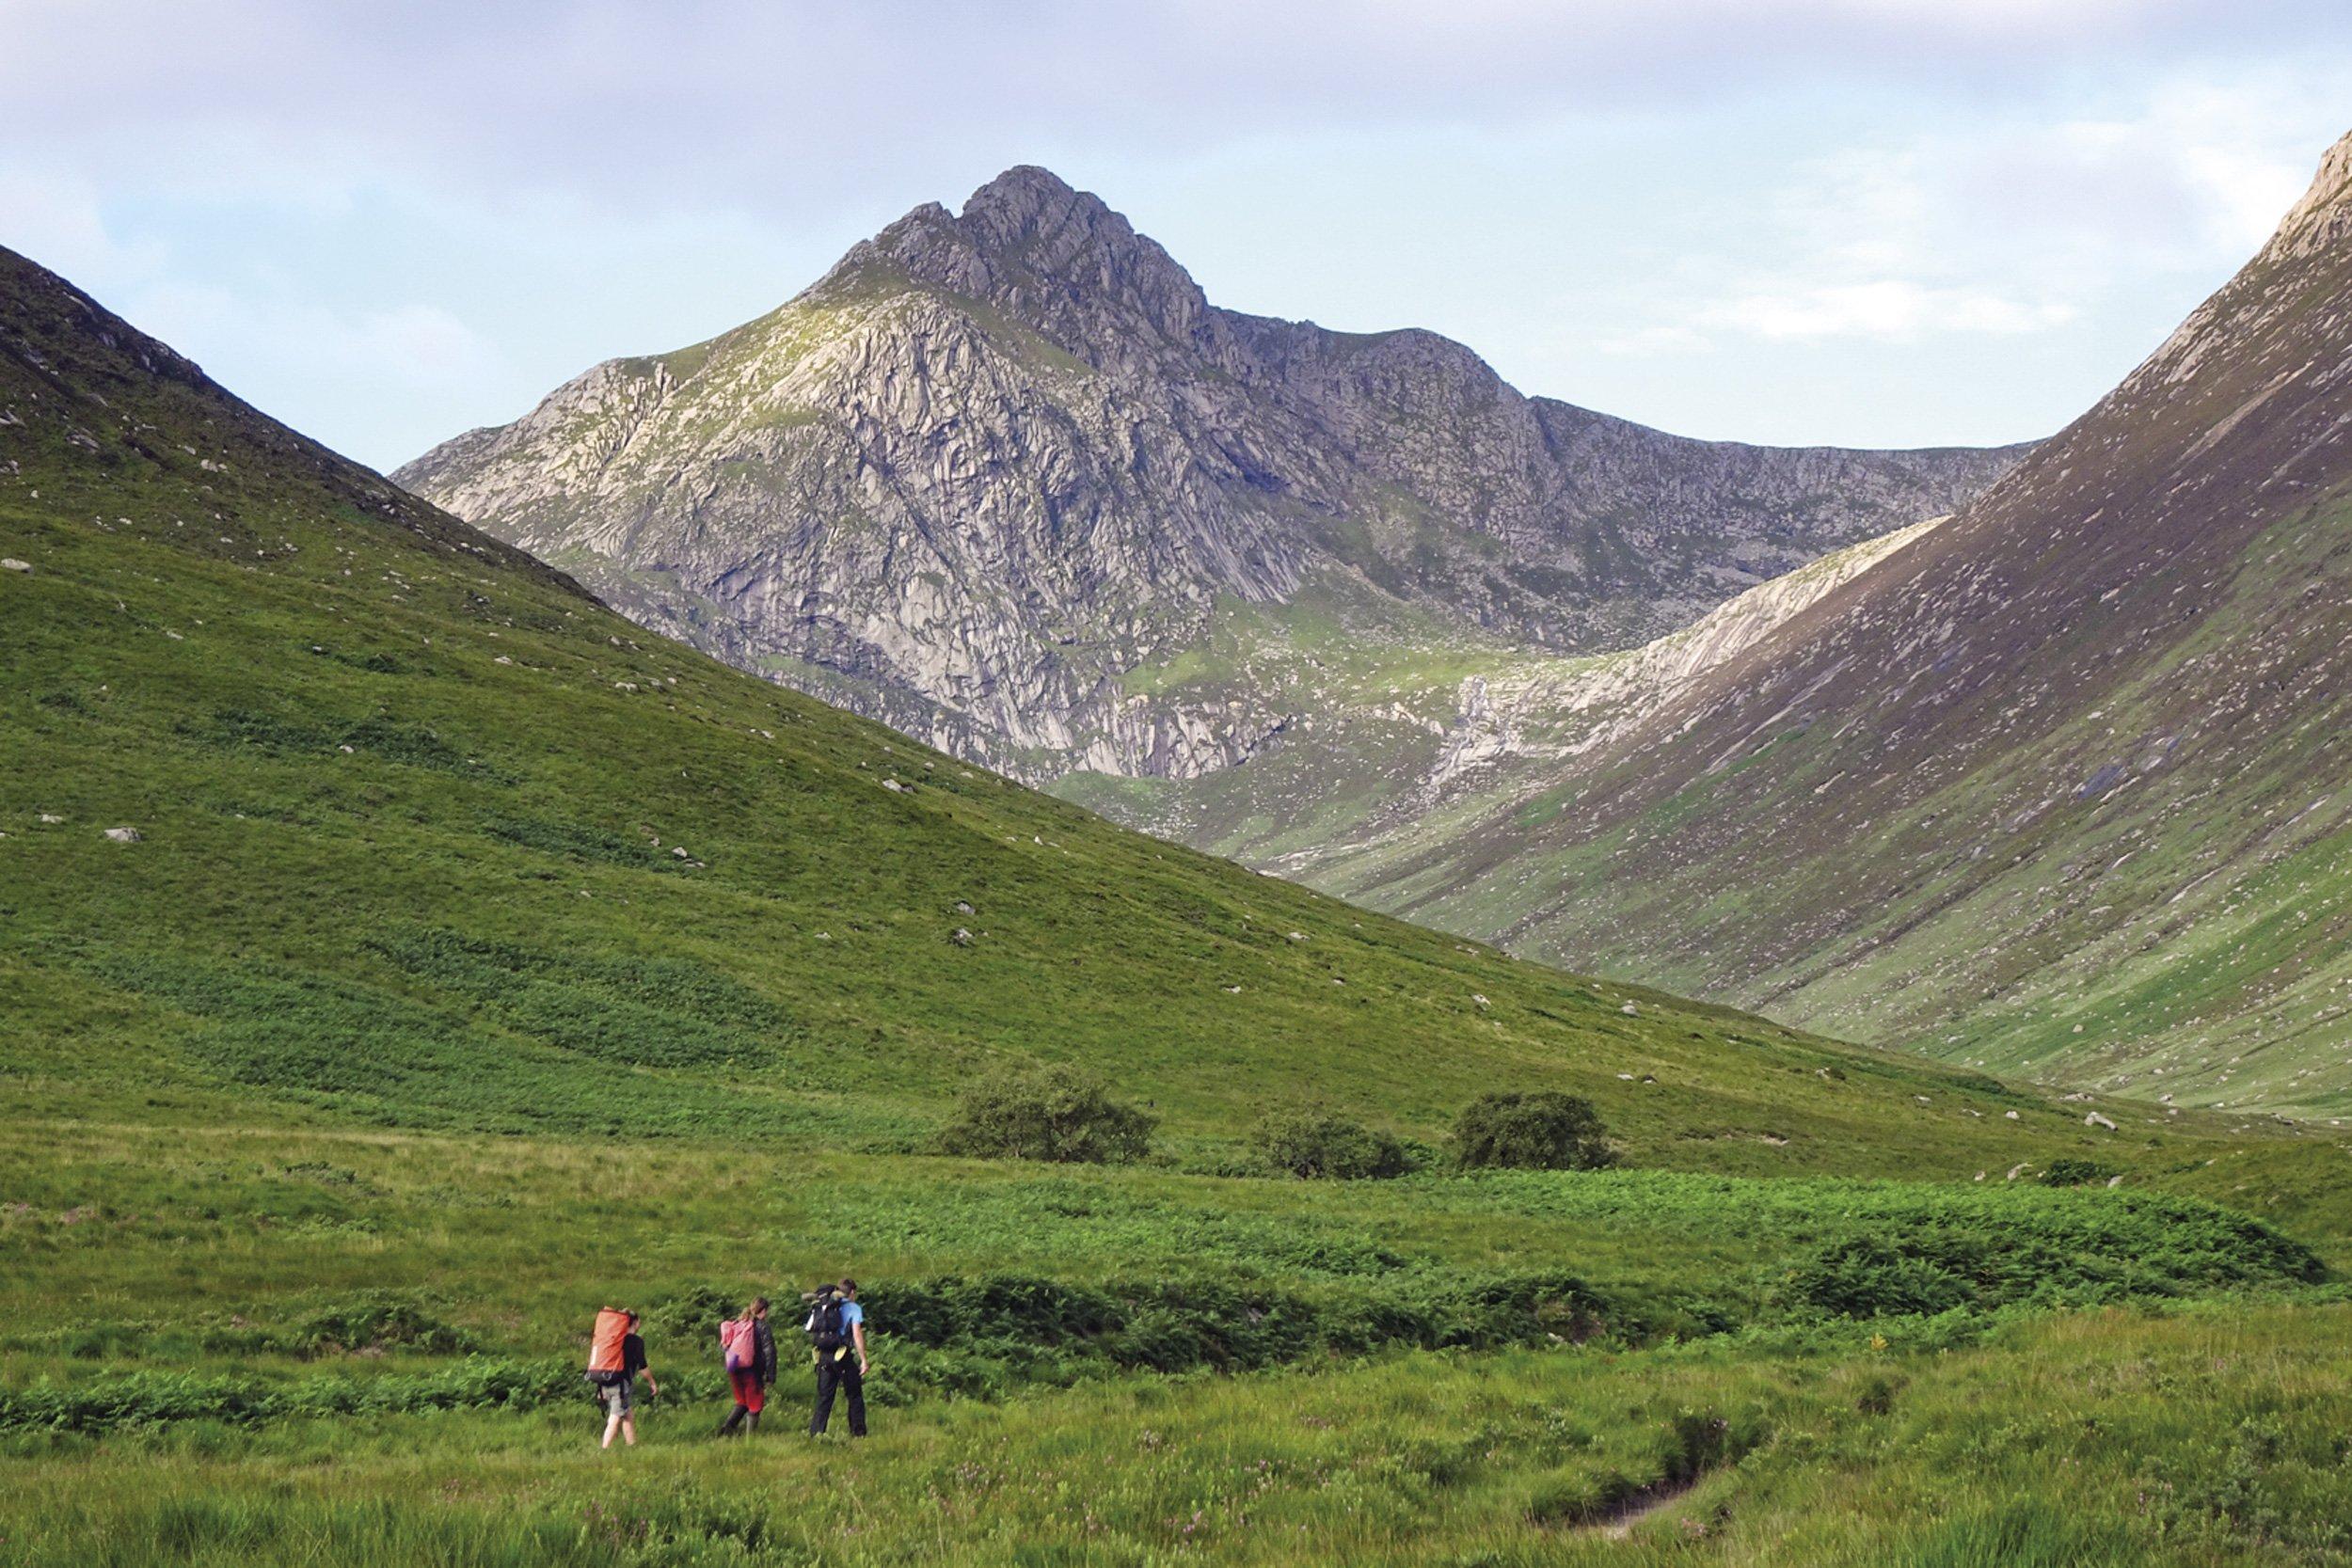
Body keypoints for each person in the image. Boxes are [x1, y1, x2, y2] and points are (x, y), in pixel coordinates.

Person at [806, 1277, 868, 1438]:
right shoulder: (854, 1308)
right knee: (854, 1394)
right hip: (843, 1355)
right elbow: (857, 1334)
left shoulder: (825, 1306)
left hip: (824, 1354)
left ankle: (816, 1433)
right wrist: (863, 1359)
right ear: (853, 1292)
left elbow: (811, 1328)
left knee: (824, 1396)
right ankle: (858, 1432)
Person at [716, 1297, 775, 1437]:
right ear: (764, 1311)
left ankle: (726, 1431)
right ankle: (750, 1440)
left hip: (734, 1367)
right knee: (755, 1403)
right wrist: (770, 1375)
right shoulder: (762, 1326)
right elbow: (769, 1351)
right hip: (751, 1370)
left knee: (742, 1401)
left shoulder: (738, 1323)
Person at [597, 1310, 658, 1449]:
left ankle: (632, 1446)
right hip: (621, 1385)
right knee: (615, 1417)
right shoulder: (636, 1341)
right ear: (635, 1322)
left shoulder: (614, 1339)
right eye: (639, 1321)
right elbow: (642, 1366)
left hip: (605, 1382)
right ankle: (604, 1449)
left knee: (628, 1414)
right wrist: (652, 1383)